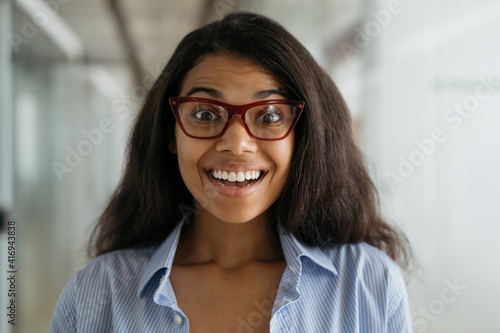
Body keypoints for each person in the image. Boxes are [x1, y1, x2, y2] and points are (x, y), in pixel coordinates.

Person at [49, 11, 413, 332]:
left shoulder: (370, 284)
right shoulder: (95, 294)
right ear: (169, 135)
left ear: (302, 138)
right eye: (206, 114)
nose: (236, 143)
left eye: (269, 116)